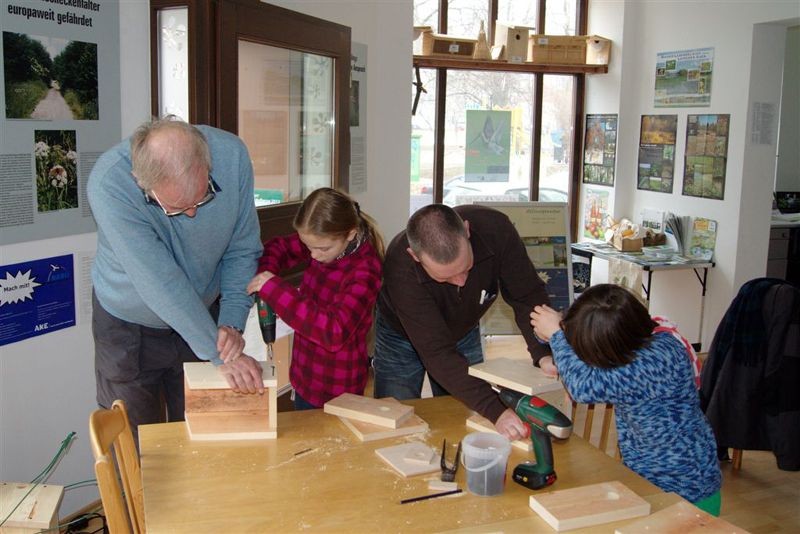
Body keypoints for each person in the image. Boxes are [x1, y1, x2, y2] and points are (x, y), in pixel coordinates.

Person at [88, 117, 265, 440]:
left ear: (207, 164)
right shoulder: (109, 185)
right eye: (177, 208)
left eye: (202, 197)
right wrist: (219, 353)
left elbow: (242, 249)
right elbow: (160, 282)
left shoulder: (232, 156)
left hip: (202, 317)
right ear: (141, 182)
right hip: (128, 328)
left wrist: (230, 325)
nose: (194, 214)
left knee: (202, 433)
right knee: (136, 444)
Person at [531, 284, 722, 515]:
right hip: (649, 476)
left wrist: (556, 336)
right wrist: (553, 332)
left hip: (684, 489)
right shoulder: (641, 336)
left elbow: (581, 387)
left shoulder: (653, 362)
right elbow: (584, 341)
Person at [373, 203, 553, 441]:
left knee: (466, 417)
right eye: (445, 277)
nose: (460, 281)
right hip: (400, 337)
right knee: (393, 420)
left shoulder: (496, 230)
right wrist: (496, 410)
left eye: (466, 267)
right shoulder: (399, 266)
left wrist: (543, 352)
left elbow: (527, 295)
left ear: (467, 231)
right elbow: (438, 353)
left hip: (463, 329)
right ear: (415, 256)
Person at [246, 188, 383, 410]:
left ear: (350, 233)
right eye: (308, 246)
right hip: (304, 375)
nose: (313, 255)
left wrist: (275, 290)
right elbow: (277, 248)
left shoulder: (365, 271)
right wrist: (264, 275)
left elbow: (333, 331)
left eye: (321, 249)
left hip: (339, 388)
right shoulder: (322, 242)